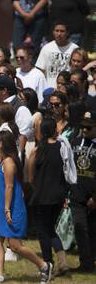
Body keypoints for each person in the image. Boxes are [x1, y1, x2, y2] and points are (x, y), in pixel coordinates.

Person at [0, 130, 53, 283]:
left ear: (2, 144)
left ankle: (44, 266)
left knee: (15, 246)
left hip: (12, 209)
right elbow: (3, 183)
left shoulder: (9, 162)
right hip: (4, 210)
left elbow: (9, 187)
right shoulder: (4, 161)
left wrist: (7, 209)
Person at [28, 116, 71, 275]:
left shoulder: (38, 150)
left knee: (43, 231)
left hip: (42, 196)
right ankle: (63, 263)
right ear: (55, 130)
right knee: (51, 229)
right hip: (58, 196)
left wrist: (38, 188)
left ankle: (48, 263)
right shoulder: (62, 148)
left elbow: (31, 176)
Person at [70, 110, 96, 272]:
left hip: (93, 195)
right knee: (80, 228)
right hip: (76, 193)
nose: (84, 130)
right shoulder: (76, 141)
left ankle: (90, 260)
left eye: (88, 127)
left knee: (93, 230)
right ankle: (85, 263)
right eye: (82, 127)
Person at [36, 21, 79, 89]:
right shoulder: (46, 48)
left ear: (67, 33)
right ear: (53, 32)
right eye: (57, 31)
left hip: (68, 89)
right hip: (49, 88)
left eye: (62, 31)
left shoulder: (74, 48)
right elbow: (39, 70)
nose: (59, 34)